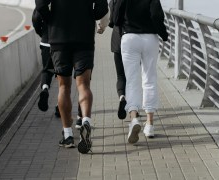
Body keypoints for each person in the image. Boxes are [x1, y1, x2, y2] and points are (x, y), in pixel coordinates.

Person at [36, 0, 108, 153]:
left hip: (59, 38)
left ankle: (68, 135)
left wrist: (52, 20)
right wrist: (89, 16)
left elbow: (41, 5)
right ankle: (86, 121)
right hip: (84, 38)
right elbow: (102, 8)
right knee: (83, 85)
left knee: (64, 87)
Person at [114, 0, 168, 143]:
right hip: (150, 38)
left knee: (132, 81)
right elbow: (156, 15)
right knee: (150, 78)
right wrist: (164, 34)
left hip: (130, 37)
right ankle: (150, 124)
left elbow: (116, 17)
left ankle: (134, 118)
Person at [32, 9, 61, 117]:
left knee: (46, 70)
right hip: (60, 42)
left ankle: (45, 88)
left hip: (46, 42)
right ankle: (60, 106)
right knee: (62, 75)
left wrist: (41, 33)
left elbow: (36, 18)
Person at [108, 0, 127, 120]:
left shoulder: (113, 1)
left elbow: (112, 21)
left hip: (117, 39)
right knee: (131, 76)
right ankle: (132, 106)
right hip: (131, 37)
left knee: (120, 75)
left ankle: (122, 97)